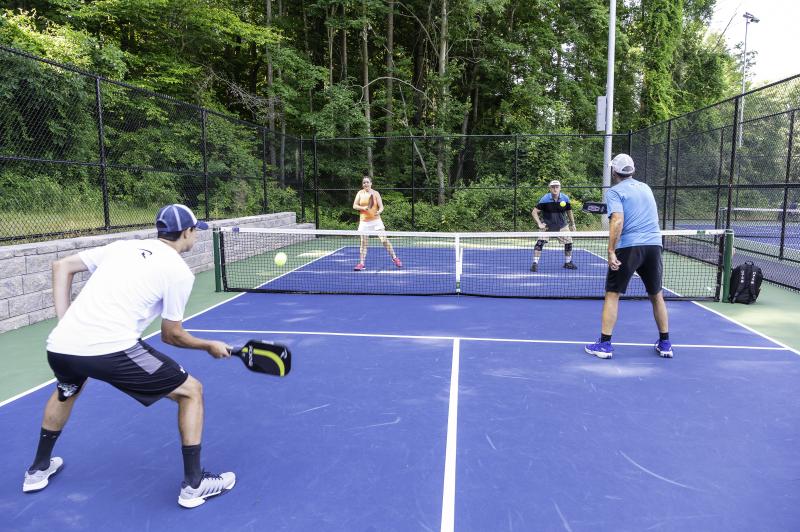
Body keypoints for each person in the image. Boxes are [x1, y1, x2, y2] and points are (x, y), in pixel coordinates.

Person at [22, 204, 236, 508]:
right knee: (191, 392)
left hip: (61, 346)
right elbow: (171, 334)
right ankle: (194, 484)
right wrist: (208, 345)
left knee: (67, 390)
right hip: (112, 349)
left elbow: (61, 266)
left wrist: (65, 322)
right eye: (195, 231)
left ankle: (38, 470)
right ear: (186, 232)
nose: (196, 237)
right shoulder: (178, 272)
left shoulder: (122, 247)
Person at [584, 154, 673, 359]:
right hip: (653, 245)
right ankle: (665, 343)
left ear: (614, 172)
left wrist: (611, 250)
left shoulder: (614, 192)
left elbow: (617, 220)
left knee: (612, 294)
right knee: (656, 295)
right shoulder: (646, 188)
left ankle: (605, 345)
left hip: (629, 247)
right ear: (632, 170)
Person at [352, 176, 403, 271]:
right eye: (364, 183)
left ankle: (395, 258)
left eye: (367, 182)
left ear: (371, 183)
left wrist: (379, 211)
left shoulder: (376, 193)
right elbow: (354, 205)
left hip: (376, 221)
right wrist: (363, 208)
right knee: (363, 243)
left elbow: (381, 207)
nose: (365, 184)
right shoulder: (360, 193)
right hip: (364, 222)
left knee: (384, 240)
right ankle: (361, 263)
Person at [530, 179, 578, 272]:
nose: (555, 189)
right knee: (540, 243)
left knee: (569, 243)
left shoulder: (565, 198)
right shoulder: (545, 199)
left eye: (557, 187)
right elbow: (534, 212)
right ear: (549, 188)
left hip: (562, 225)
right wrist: (539, 223)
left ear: (560, 188)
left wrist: (572, 223)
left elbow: (569, 211)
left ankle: (568, 263)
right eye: (553, 187)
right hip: (547, 226)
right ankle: (535, 263)